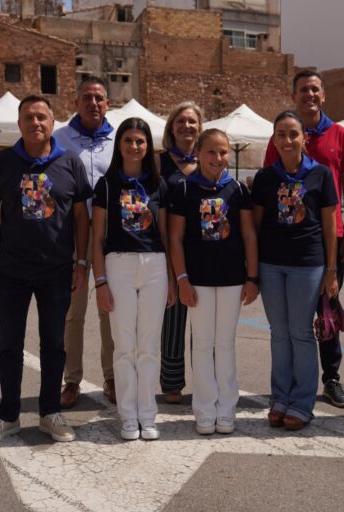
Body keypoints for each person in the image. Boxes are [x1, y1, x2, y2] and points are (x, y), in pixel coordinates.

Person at [0, 95, 91, 446]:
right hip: (11, 270)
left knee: (54, 345)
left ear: (52, 123)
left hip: (57, 271)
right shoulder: (4, 162)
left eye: (42, 117)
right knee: (9, 344)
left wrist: (81, 262)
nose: (35, 123)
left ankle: (49, 412)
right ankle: (8, 415)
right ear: (19, 123)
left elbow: (82, 218)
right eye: (28, 117)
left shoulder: (69, 162)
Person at [263, 69, 344, 408]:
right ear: (294, 95)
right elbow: (270, 187)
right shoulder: (281, 137)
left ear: (323, 95)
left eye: (315, 89)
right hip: (289, 243)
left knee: (327, 310)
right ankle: (290, 384)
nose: (310, 95)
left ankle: (331, 378)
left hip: (330, 238)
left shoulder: (339, 135)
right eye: (303, 89)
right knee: (291, 322)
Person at [169, 128, 258, 435]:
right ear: (198, 153)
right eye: (211, 152)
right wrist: (182, 279)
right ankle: (204, 409)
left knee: (225, 344)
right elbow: (176, 238)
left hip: (233, 279)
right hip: (198, 281)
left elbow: (248, 234)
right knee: (203, 345)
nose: (218, 158)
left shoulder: (236, 189)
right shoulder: (184, 189)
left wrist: (252, 277)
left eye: (223, 152)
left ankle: (227, 409)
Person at [253, 111, 339, 431]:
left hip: (308, 264)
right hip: (271, 264)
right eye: (281, 135)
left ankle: (302, 403)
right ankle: (280, 398)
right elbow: (256, 225)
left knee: (301, 333)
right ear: (273, 140)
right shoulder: (265, 178)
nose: (287, 140)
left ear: (304, 138)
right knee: (279, 333)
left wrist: (331, 269)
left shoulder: (321, 175)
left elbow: (330, 224)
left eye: (293, 134)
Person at [92, 117, 174, 441]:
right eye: (129, 140)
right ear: (119, 145)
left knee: (149, 346)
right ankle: (128, 416)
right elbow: (97, 239)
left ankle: (147, 415)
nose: (135, 146)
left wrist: (170, 279)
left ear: (147, 146)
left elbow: (166, 234)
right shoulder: (106, 185)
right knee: (124, 345)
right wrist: (100, 282)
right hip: (119, 265)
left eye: (141, 141)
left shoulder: (159, 185)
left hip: (155, 266)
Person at [53, 76, 117, 409]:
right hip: (73, 233)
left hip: (110, 234)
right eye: (88, 97)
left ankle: (111, 377)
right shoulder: (59, 139)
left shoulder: (119, 140)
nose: (94, 103)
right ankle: (72, 380)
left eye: (100, 98)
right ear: (76, 102)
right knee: (72, 311)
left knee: (109, 308)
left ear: (108, 104)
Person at [159, 101, 203, 405]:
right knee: (172, 319)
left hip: (205, 251)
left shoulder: (208, 160)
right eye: (181, 122)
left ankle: (205, 381)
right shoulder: (158, 164)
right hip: (168, 248)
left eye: (192, 122)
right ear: (171, 128)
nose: (187, 126)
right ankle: (172, 383)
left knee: (203, 323)